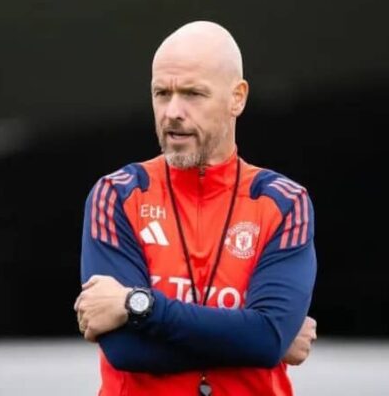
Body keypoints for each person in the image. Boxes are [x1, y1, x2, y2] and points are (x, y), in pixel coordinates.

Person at [73, 21, 318, 396]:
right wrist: (252, 338)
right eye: (162, 93)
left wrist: (138, 306)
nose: (172, 111)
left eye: (192, 94)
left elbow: (266, 340)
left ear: (237, 98)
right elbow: (126, 349)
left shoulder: (285, 203)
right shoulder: (117, 195)